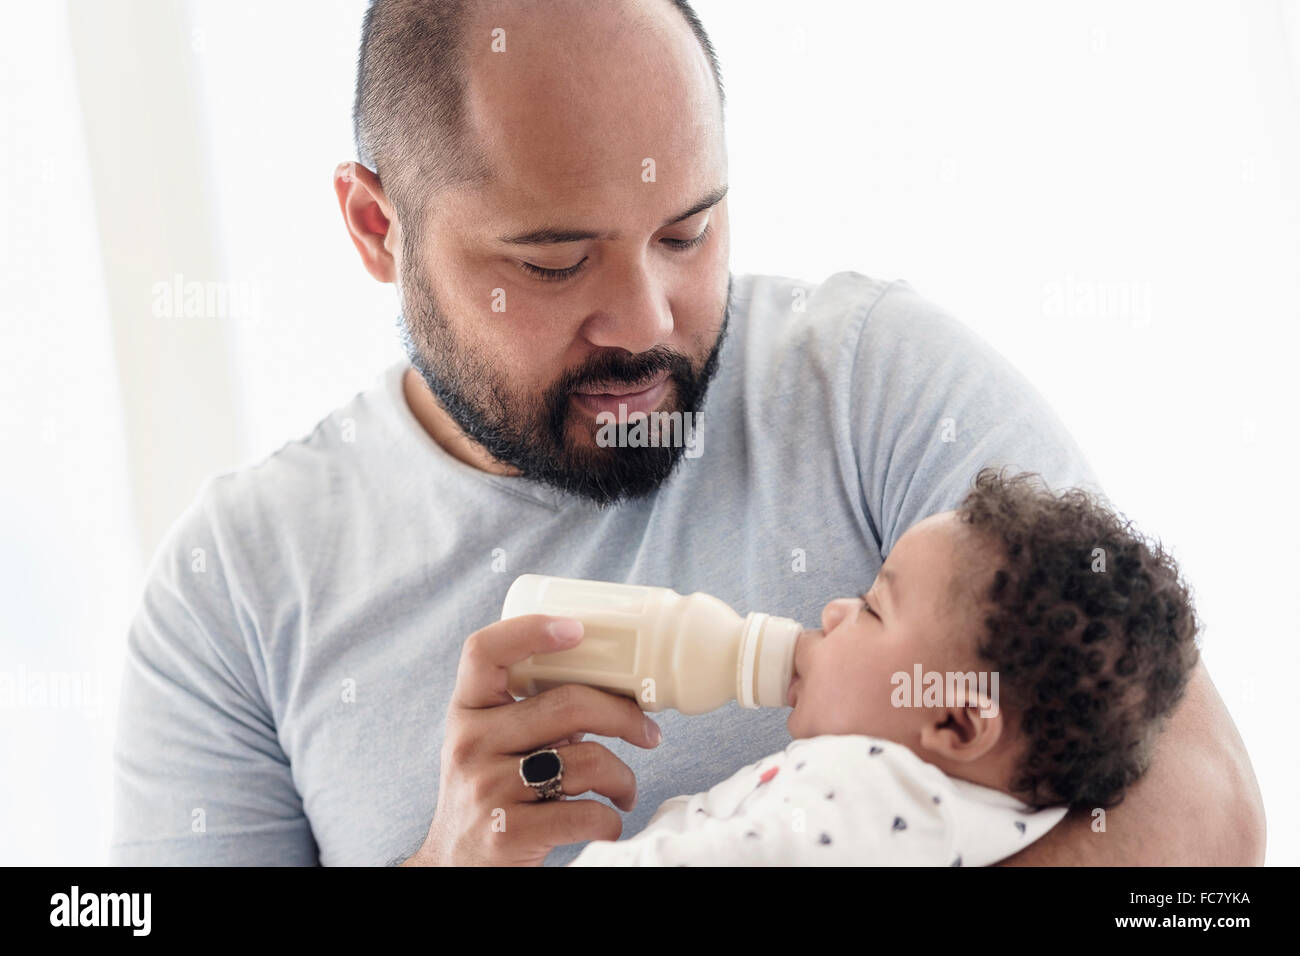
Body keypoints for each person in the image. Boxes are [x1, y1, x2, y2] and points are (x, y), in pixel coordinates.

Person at [110, 0, 1263, 866]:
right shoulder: (234, 595)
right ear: (376, 227)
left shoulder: (869, 381)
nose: (648, 323)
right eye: (552, 260)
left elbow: (1200, 817)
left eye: (687, 231)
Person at [568, 469, 1201, 865]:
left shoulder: (866, 790)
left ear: (955, 721)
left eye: (873, 608)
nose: (835, 609)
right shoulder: (999, 819)